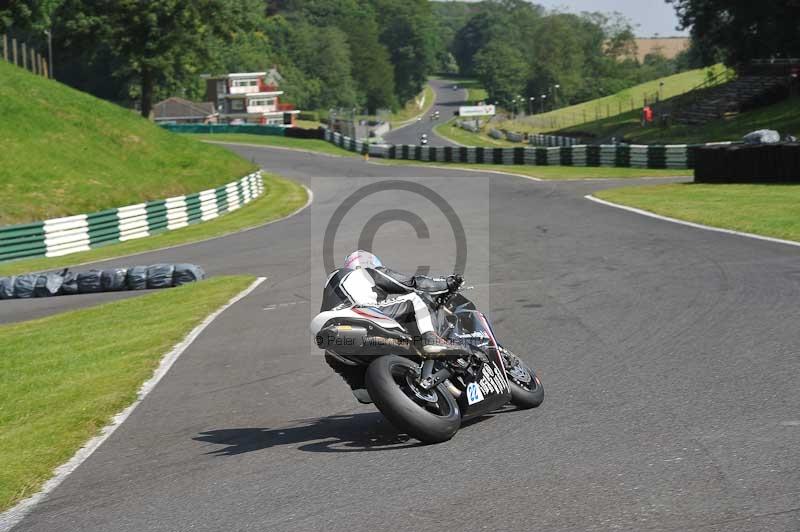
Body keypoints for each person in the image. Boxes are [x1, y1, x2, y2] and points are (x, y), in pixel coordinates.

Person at [321, 250, 464, 357]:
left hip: (332, 333)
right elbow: (411, 284)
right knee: (415, 298)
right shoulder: (366, 273)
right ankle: (430, 339)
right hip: (359, 312)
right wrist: (447, 283)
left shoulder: (331, 284)